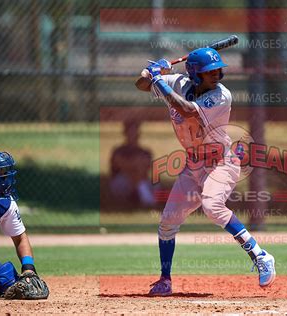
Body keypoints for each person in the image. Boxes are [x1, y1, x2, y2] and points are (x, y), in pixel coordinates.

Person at [135, 48, 276, 296]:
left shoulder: (221, 96)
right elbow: (141, 85)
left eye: (218, 69)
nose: (216, 74)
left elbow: (187, 110)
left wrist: (158, 79)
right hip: (193, 166)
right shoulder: (177, 82)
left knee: (212, 205)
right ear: (194, 74)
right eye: (209, 71)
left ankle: (260, 255)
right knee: (167, 223)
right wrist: (152, 71)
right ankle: (164, 280)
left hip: (222, 162)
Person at [0, 148, 49, 299]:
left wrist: (29, 269)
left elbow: (20, 238)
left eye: (2, 171)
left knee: (7, 279)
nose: (2, 176)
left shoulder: (2, 202)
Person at [109, 120, 156, 208]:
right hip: (122, 182)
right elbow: (120, 166)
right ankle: (144, 196)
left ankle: (139, 193)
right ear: (125, 133)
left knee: (155, 184)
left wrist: (132, 165)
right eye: (130, 132)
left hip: (142, 179)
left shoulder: (145, 151)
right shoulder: (118, 151)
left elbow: (145, 169)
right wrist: (135, 167)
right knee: (128, 177)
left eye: (134, 132)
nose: (132, 135)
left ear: (138, 133)